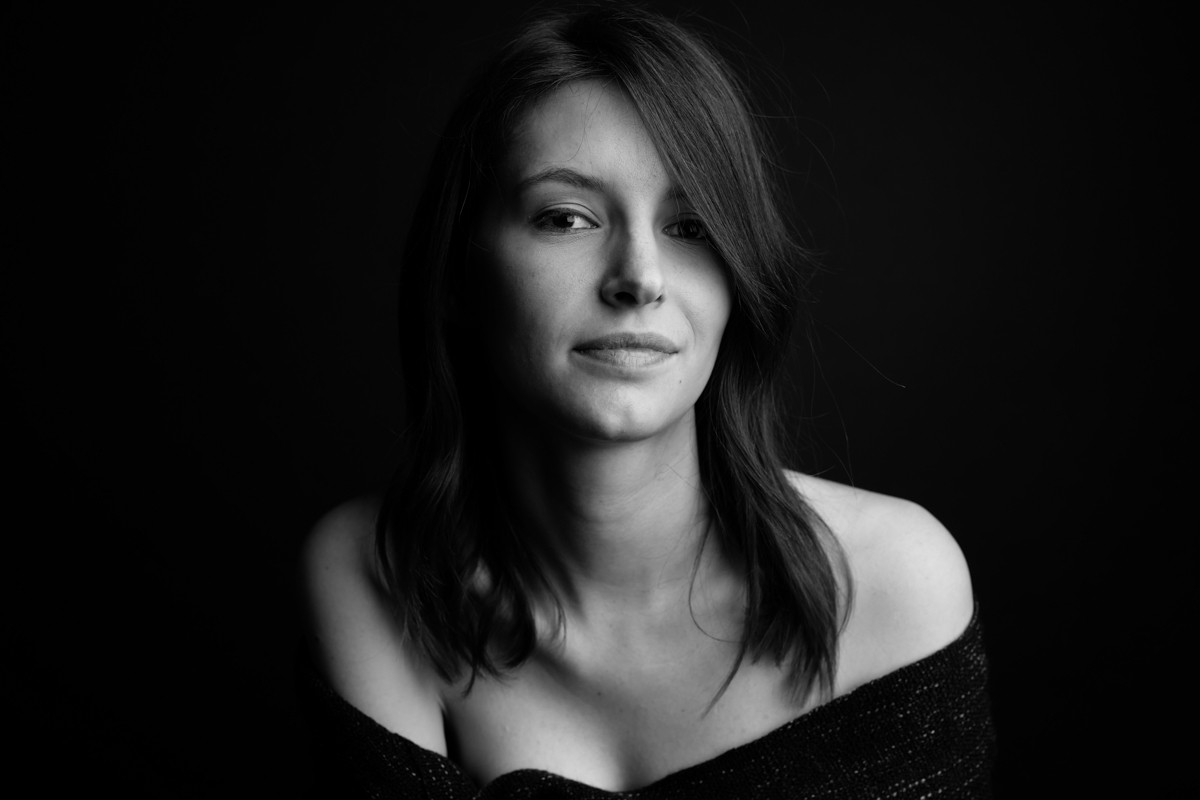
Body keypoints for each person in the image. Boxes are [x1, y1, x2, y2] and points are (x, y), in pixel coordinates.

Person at [299, 4, 994, 797]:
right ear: (460, 273)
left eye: (691, 227)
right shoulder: (371, 575)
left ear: (738, 281)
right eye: (566, 218)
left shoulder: (895, 584)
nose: (639, 277)